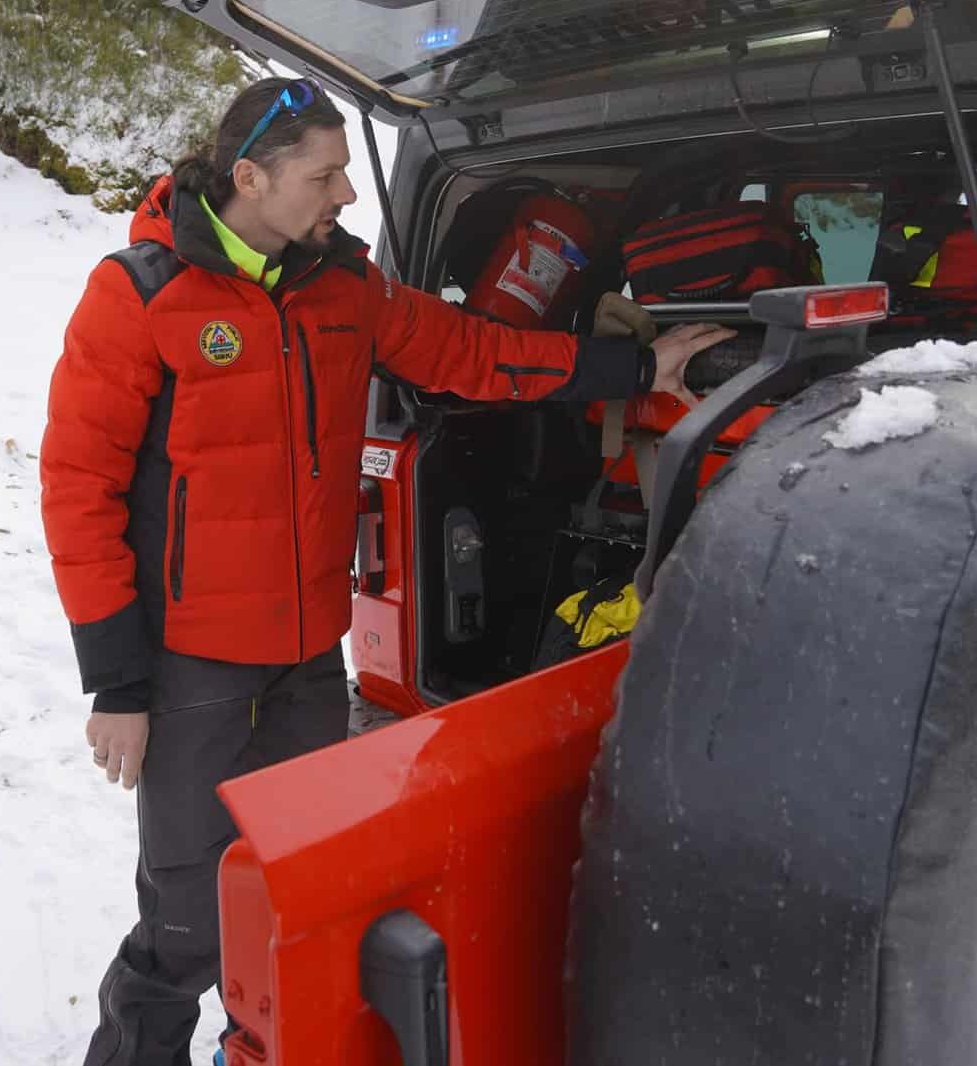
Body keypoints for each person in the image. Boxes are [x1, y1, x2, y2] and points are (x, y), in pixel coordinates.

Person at [40, 77, 729, 1065]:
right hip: (191, 669)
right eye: (325, 175)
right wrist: (116, 679)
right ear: (250, 176)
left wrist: (625, 371)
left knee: (302, 895)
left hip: (310, 666)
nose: (345, 197)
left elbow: (468, 352)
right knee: (186, 925)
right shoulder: (142, 293)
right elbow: (77, 488)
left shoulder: (342, 287)